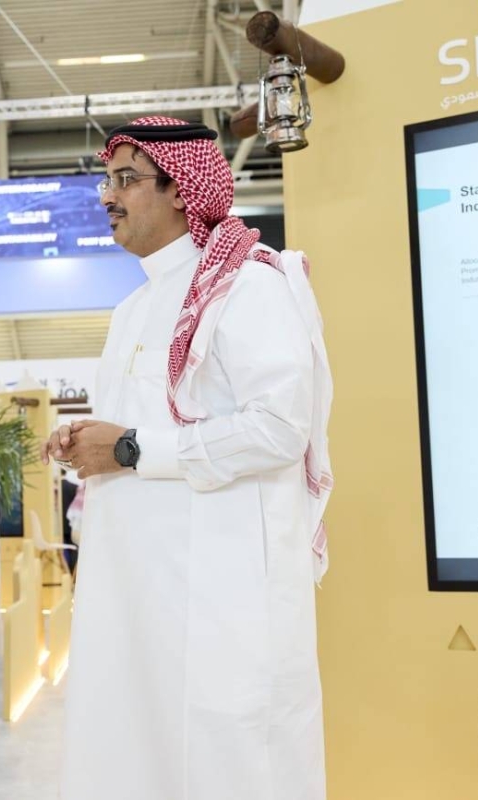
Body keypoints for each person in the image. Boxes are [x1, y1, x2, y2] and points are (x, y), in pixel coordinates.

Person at [42, 116, 334, 800]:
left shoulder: (249, 285)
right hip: (134, 596)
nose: (107, 196)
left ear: (181, 188)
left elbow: (279, 428)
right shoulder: (131, 309)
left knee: (230, 764)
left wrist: (129, 448)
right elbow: (137, 434)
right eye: (106, 180)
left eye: (126, 180)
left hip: (221, 600)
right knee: (134, 757)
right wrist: (89, 441)